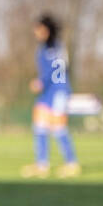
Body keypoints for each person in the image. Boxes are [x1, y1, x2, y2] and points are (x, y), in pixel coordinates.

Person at [22, 14, 80, 178]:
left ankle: (71, 163)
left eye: (39, 29)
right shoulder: (43, 47)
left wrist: (42, 81)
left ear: (47, 29)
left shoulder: (56, 47)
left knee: (58, 128)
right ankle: (42, 165)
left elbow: (58, 69)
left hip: (58, 91)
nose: (36, 32)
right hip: (47, 92)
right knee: (39, 125)